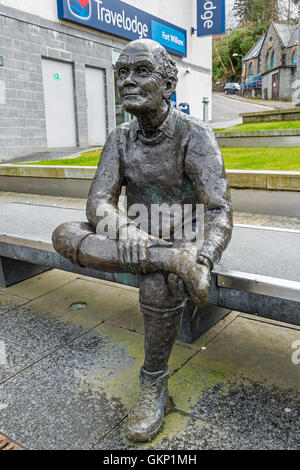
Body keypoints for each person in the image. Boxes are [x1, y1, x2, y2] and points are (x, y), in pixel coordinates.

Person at [52, 39, 233, 442]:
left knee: (156, 279)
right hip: (132, 238)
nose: (127, 82)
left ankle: (154, 384)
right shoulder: (119, 138)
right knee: (64, 234)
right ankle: (172, 260)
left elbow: (220, 212)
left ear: (169, 86)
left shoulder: (194, 136)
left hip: (183, 237)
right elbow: (98, 201)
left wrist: (203, 257)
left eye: (141, 72)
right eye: (122, 73)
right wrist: (128, 230)